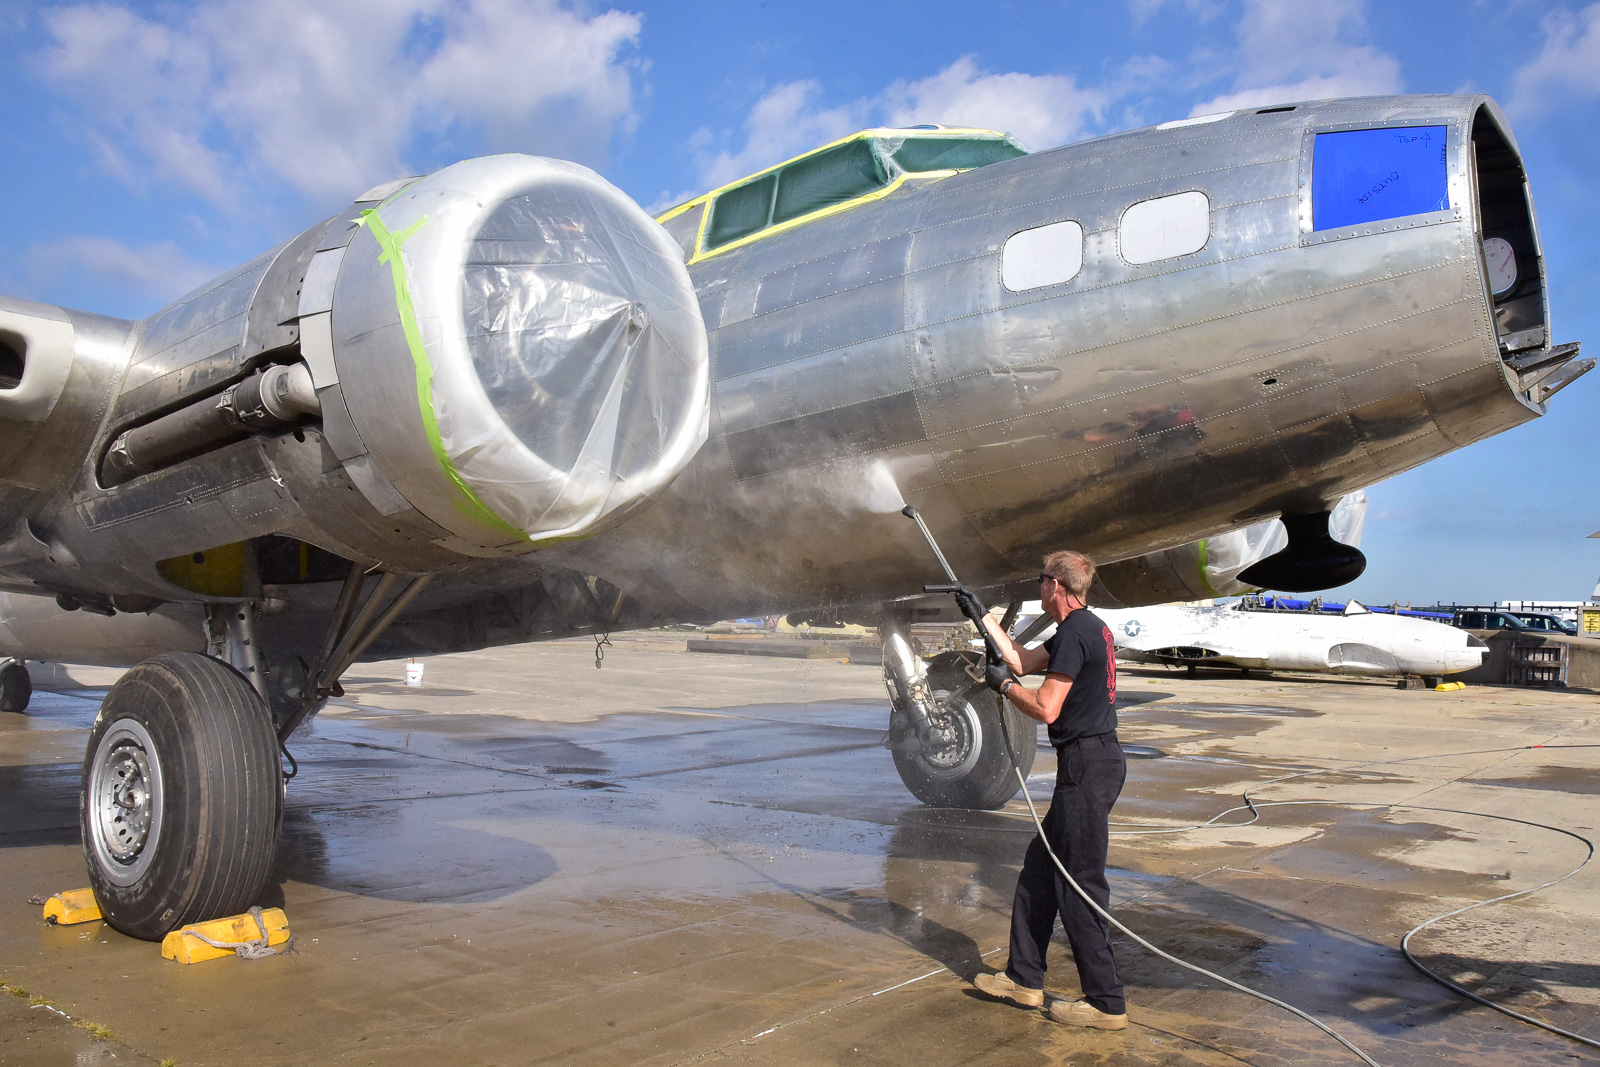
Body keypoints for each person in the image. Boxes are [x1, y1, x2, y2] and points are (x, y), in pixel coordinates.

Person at [959, 550, 1128, 1030]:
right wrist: (983, 616)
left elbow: (1047, 707)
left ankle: (1106, 1003)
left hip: (1087, 767)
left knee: (1078, 884)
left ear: (1054, 585)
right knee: (1039, 869)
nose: (1039, 588)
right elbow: (1020, 659)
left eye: (1040, 581)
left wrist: (1004, 689)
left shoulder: (1076, 634)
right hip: (1094, 762)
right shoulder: (1086, 627)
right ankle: (1023, 979)